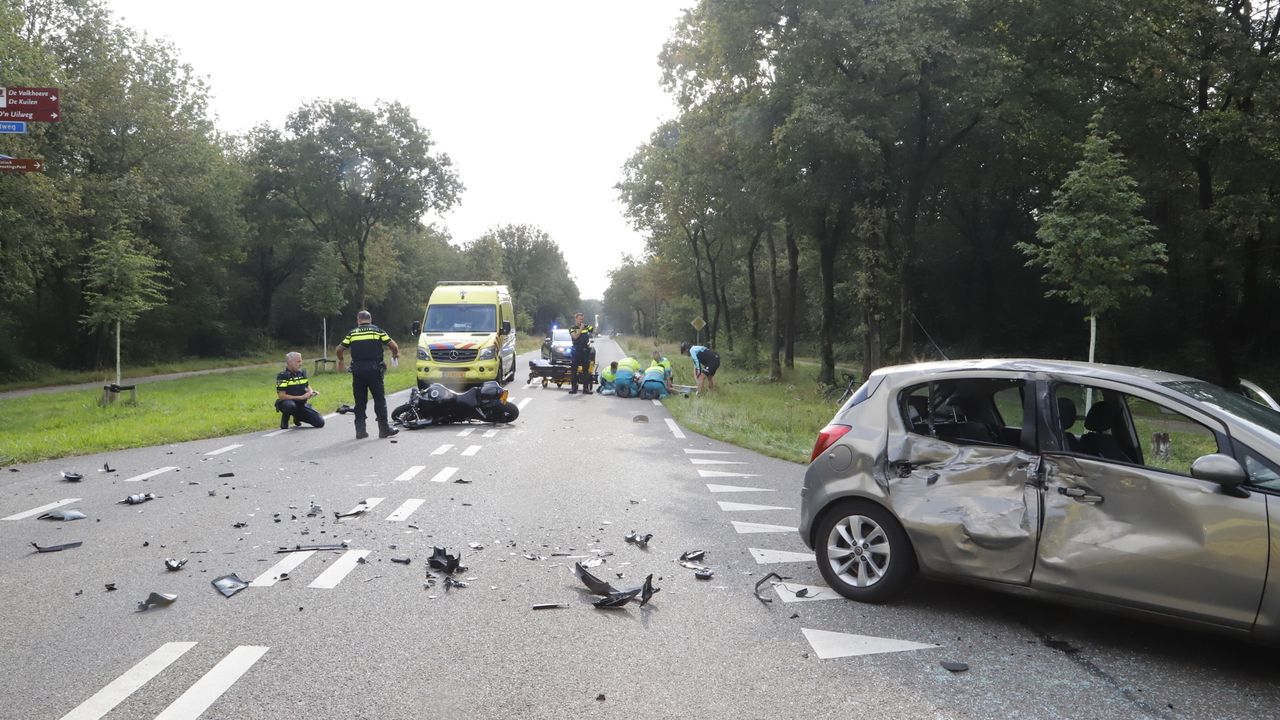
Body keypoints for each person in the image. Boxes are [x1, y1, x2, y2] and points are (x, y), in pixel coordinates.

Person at [336, 310, 400, 439]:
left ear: (358, 320)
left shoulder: (352, 333)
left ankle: (360, 431)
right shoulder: (377, 331)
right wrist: (395, 354)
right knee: (379, 400)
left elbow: (339, 349)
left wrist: (341, 360)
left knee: (360, 401)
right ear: (370, 319)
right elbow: (393, 346)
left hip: (358, 370)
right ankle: (384, 429)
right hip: (374, 369)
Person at [275, 352, 325, 429]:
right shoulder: (283, 376)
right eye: (298, 361)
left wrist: (311, 392)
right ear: (290, 363)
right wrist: (301, 397)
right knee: (290, 406)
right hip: (287, 403)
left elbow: (307, 385)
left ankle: (298, 417)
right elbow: (281, 396)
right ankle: (285, 419)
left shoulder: (302, 373)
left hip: (301, 404)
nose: (301, 364)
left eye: (301, 361)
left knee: (320, 423)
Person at [567, 311, 594, 395]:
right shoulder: (572, 328)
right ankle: (574, 388)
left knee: (586, 370)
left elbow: (594, 331)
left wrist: (595, 325)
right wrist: (581, 329)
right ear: (576, 319)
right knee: (574, 370)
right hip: (576, 351)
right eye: (579, 319)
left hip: (585, 351)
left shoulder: (586, 327)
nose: (581, 321)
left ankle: (585, 389)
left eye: (582, 319)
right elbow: (575, 337)